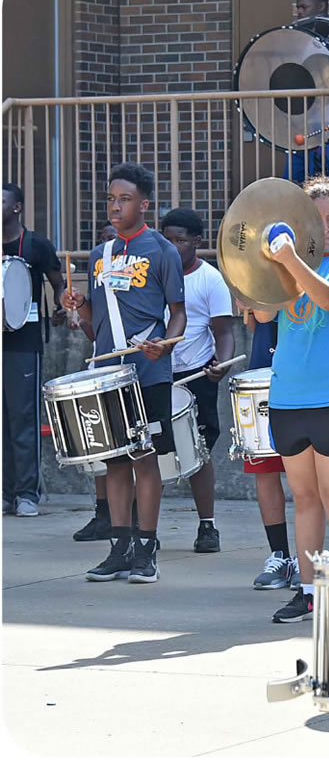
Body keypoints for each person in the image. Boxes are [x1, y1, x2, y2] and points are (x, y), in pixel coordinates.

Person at [252, 176, 329, 623]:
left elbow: (328, 299)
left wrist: (289, 261)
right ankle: (308, 591)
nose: (326, 227)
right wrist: (262, 263)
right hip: (290, 395)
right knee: (304, 499)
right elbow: (261, 312)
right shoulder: (287, 265)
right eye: (316, 219)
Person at [61, 163, 186, 584]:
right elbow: (96, 322)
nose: (115, 206)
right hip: (107, 372)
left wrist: (164, 346)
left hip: (148, 372)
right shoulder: (101, 255)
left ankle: (147, 548)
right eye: (111, 199)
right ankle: (119, 546)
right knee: (114, 459)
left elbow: (179, 315)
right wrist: (78, 306)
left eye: (124, 199)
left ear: (144, 204)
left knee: (144, 457)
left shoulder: (162, 250)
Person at [161, 207, 235, 554]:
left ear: (196, 241)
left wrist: (221, 363)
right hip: (157, 372)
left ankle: (208, 526)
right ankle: (145, 528)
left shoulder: (210, 279)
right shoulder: (154, 274)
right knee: (152, 453)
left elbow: (224, 331)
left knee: (198, 452)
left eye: (180, 240)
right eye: (167, 240)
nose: (173, 246)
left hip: (196, 375)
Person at [2, 182, 66, 517]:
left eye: (1, 201)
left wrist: (61, 305)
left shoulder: (36, 244)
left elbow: (58, 281)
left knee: (23, 417)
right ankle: (6, 491)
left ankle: (27, 493)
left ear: (16, 207)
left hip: (23, 341)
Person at [238, 307, 300, 591]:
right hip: (262, 370)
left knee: (308, 472)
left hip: (301, 368)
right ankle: (280, 555)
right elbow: (256, 325)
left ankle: (305, 557)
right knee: (264, 466)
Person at [71, 223, 118, 541]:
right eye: (103, 239)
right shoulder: (98, 268)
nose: (107, 244)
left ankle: (136, 522)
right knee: (102, 446)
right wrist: (80, 310)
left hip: (133, 364)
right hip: (101, 362)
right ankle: (104, 514)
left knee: (132, 452)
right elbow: (95, 329)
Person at [287, 0, 329, 184]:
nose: (299, 12)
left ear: (321, 6)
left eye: (304, 7)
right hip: (304, 119)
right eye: (298, 8)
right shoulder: (297, 38)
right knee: (294, 180)